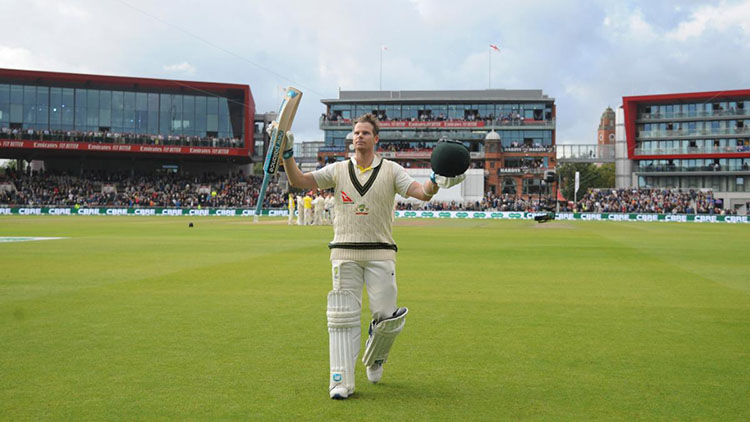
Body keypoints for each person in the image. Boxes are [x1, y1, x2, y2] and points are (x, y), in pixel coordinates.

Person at [280, 113, 465, 399]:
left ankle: (376, 356)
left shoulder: (391, 170)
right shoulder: (338, 169)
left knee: (386, 317)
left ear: (375, 138)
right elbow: (298, 179)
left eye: (365, 133)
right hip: (344, 252)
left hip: (381, 253)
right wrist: (287, 153)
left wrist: (435, 180)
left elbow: (422, 193)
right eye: (355, 133)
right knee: (342, 317)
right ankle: (340, 381)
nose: (359, 137)